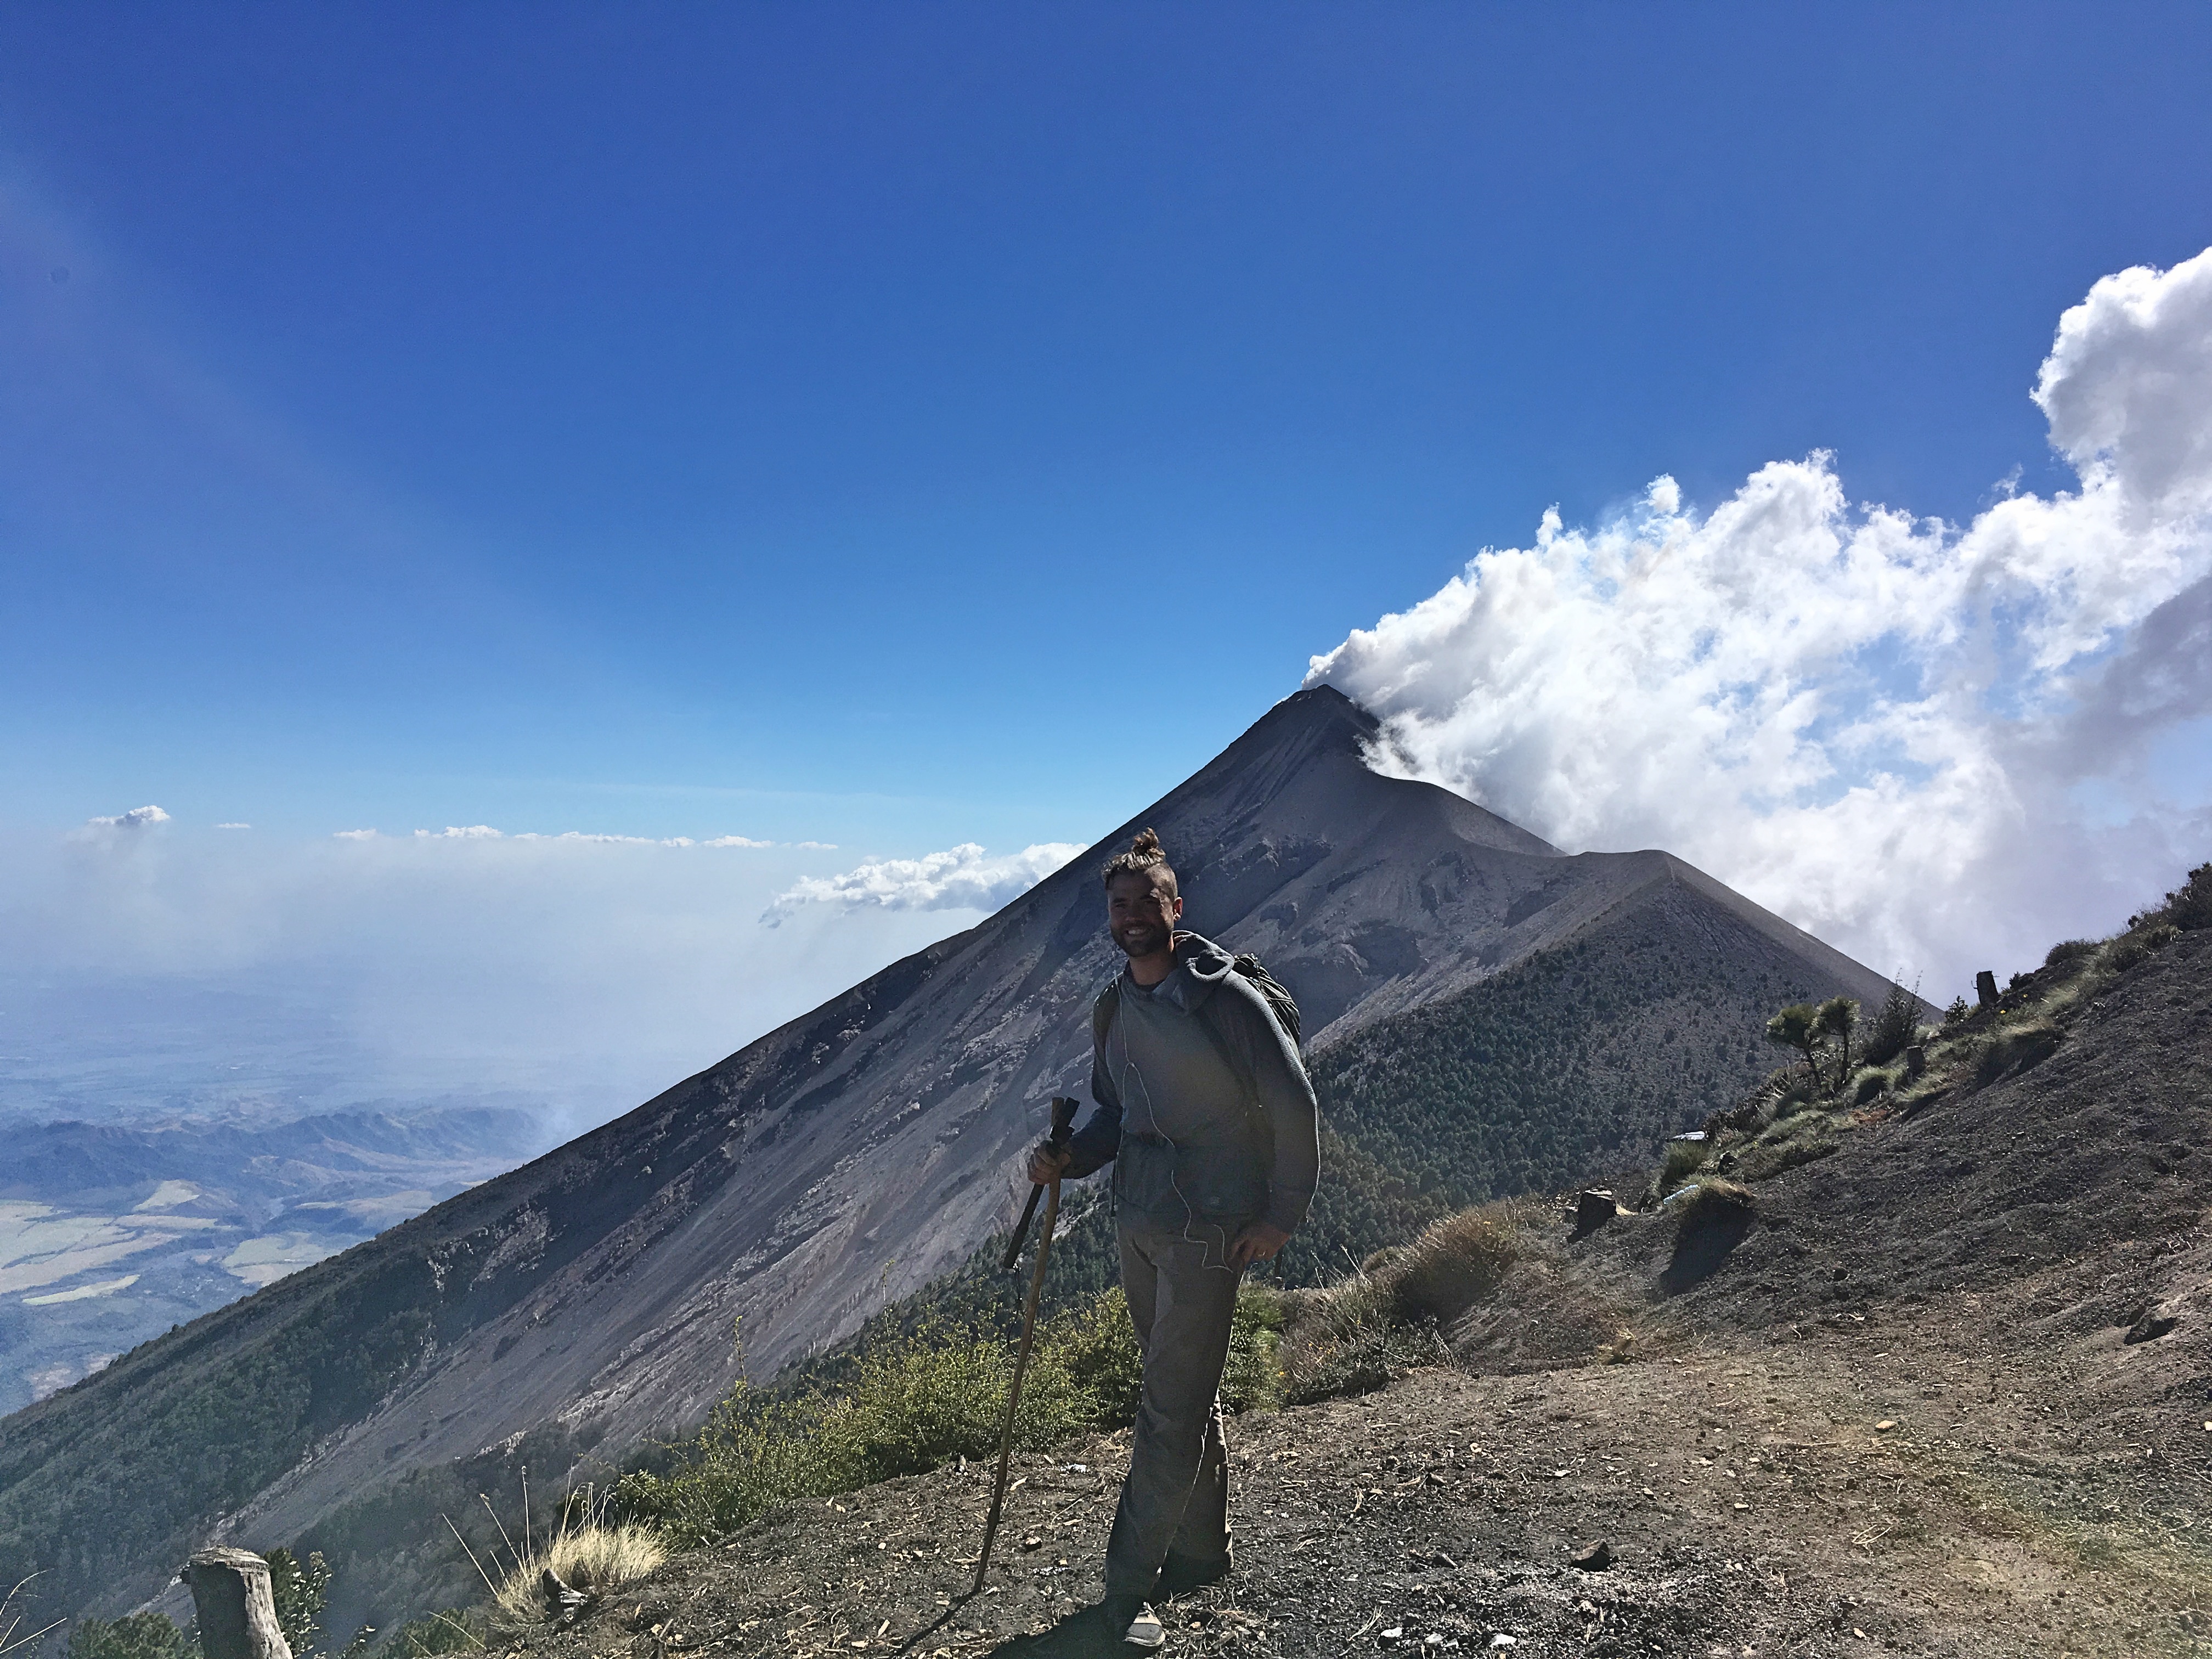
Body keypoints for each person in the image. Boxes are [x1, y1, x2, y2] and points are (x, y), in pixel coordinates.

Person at [1025, 828, 1320, 1650]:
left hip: (1207, 1231)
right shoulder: (1115, 1005)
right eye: (1117, 906)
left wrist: (1280, 1216)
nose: (1129, 918)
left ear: (1175, 908)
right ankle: (1200, 1550)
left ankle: (1125, 1598)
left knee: (1167, 1412)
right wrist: (1067, 1160)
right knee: (1184, 1399)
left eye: (1143, 903)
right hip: (1142, 1221)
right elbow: (1117, 1118)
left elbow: (1293, 1106)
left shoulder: (1227, 1001)